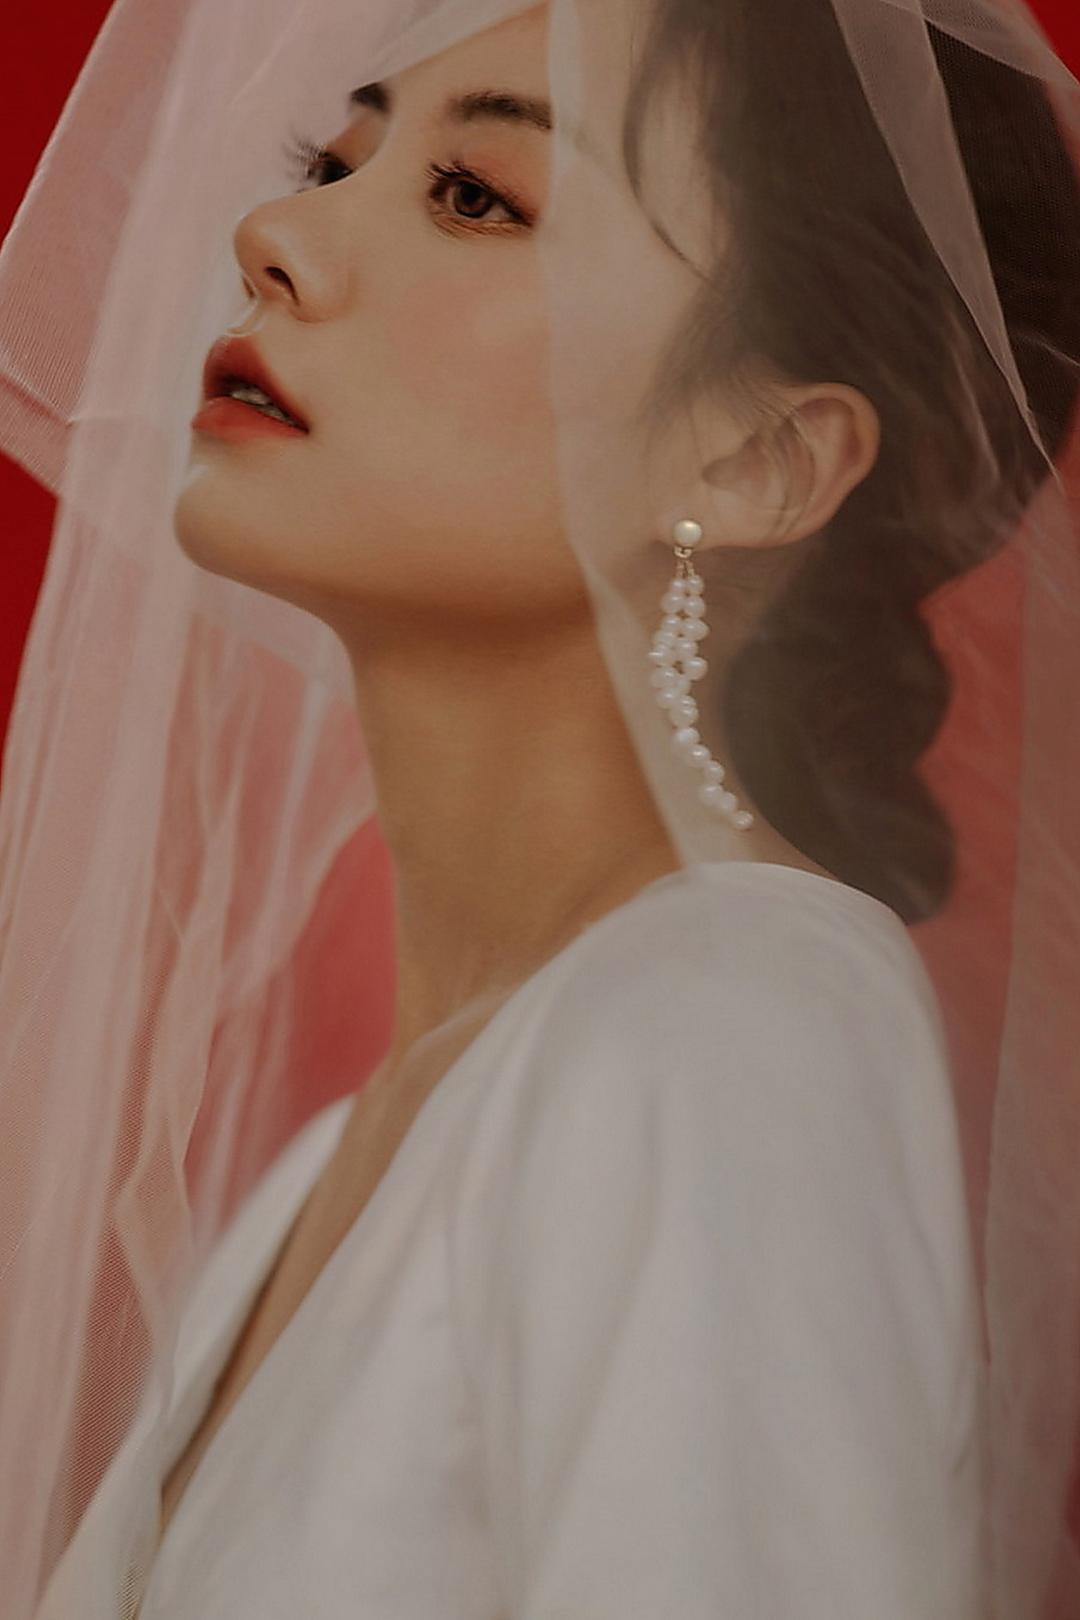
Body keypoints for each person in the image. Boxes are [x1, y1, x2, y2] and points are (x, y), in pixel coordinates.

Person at [2, 0, 1080, 1616]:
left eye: (476, 196)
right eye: (333, 162)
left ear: (763, 459)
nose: (272, 234)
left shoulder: (726, 1039)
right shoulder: (327, 1174)